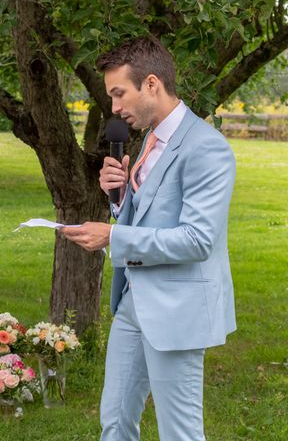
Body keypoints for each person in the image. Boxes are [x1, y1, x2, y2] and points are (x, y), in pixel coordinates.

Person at [60, 36, 236, 440]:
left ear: (151, 84)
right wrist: (119, 198)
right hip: (133, 303)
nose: (115, 108)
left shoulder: (207, 148)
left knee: (179, 433)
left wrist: (113, 238)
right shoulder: (150, 140)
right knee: (116, 421)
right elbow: (149, 215)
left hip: (177, 310)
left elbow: (196, 239)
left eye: (119, 94)